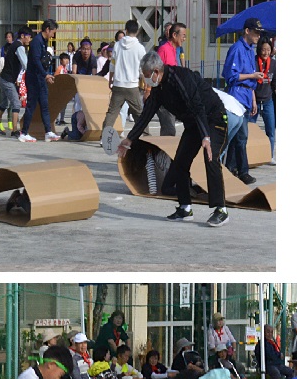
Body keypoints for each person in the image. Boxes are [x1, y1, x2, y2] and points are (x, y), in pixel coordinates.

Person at [117, 51, 230, 228]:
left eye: (146, 75)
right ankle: (185, 208)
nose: (145, 80)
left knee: (210, 157)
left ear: (156, 71)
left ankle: (221, 210)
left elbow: (197, 106)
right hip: (194, 124)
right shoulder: (159, 89)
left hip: (213, 119)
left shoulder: (180, 78)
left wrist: (206, 136)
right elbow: (147, 114)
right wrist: (130, 139)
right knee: (179, 163)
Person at [223, 18, 265, 186]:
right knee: (241, 136)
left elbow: (251, 79)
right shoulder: (237, 49)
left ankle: (231, 168)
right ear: (247, 31)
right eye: (255, 32)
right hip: (237, 95)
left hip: (247, 95)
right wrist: (252, 76)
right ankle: (243, 171)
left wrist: (253, 99)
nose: (258, 36)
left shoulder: (249, 50)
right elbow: (231, 75)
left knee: (237, 137)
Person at [19, 19, 60, 143]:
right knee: (31, 105)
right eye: (52, 32)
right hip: (33, 78)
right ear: (47, 29)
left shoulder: (44, 41)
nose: (53, 35)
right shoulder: (37, 41)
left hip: (40, 78)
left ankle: (48, 132)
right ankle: (24, 133)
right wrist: (45, 75)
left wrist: (45, 75)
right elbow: (36, 61)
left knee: (44, 105)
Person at [102, 19, 146, 134]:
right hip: (132, 86)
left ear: (126, 30)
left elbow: (112, 64)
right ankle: (145, 135)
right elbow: (142, 68)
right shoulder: (140, 48)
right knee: (138, 113)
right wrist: (145, 82)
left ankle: (104, 137)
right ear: (137, 31)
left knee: (112, 112)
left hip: (118, 84)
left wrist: (111, 79)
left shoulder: (117, 45)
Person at [0, 26, 30, 138]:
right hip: (7, 80)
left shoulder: (14, 45)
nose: (29, 39)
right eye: (28, 36)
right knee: (16, 103)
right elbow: (26, 64)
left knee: (4, 104)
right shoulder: (19, 47)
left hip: (4, 78)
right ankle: (14, 130)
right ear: (22, 36)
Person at [251, 38, 275, 162]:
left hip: (267, 100)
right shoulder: (253, 62)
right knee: (250, 129)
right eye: (263, 49)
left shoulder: (274, 64)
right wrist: (253, 100)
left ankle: (269, 156)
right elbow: (250, 83)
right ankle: (250, 155)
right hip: (254, 100)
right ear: (259, 50)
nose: (266, 52)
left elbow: (275, 83)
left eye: (268, 50)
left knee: (271, 130)